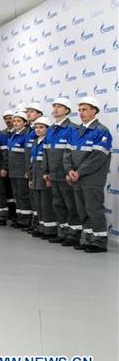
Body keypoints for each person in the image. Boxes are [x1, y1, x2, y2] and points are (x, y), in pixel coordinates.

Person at [64, 97, 112, 253]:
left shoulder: (101, 131)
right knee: (82, 210)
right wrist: (69, 170)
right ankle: (88, 239)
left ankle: (99, 242)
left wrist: (78, 172)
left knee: (93, 209)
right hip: (76, 178)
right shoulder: (75, 131)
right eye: (79, 110)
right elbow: (67, 153)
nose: (81, 112)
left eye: (84, 109)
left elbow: (97, 157)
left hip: (92, 179)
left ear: (94, 111)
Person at [43, 98, 80, 246]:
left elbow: (74, 154)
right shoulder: (50, 129)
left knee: (71, 205)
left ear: (67, 110)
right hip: (53, 174)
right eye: (54, 106)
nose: (56, 109)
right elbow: (45, 152)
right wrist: (46, 171)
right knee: (58, 204)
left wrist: (70, 171)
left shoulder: (73, 128)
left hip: (66, 175)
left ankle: (74, 235)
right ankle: (62, 232)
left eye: (60, 106)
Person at [28, 117, 55, 239]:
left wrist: (48, 176)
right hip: (35, 178)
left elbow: (49, 161)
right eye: (36, 127)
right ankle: (41, 228)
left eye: (41, 127)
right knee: (38, 205)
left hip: (44, 178)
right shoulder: (35, 142)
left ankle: (50, 230)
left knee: (46, 205)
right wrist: (31, 178)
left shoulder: (48, 142)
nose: (38, 130)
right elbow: (32, 162)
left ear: (48, 129)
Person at [6, 112, 32, 228]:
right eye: (14, 121)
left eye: (19, 121)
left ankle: (26, 220)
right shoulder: (13, 134)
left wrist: (28, 170)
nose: (15, 123)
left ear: (25, 123)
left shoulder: (26, 135)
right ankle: (20, 218)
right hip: (13, 171)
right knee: (17, 195)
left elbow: (27, 155)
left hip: (22, 171)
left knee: (23, 195)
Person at [22, 103, 44, 233]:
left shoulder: (43, 128)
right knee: (32, 198)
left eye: (32, 111)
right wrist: (28, 170)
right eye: (27, 111)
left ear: (39, 114)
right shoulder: (29, 130)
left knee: (39, 200)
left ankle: (39, 224)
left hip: (39, 170)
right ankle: (35, 223)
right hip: (31, 168)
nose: (28, 114)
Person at [1, 109, 17, 221]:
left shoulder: (20, 132)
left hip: (16, 167)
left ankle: (17, 213)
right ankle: (10, 213)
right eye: (6, 118)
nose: (8, 120)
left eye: (10, 118)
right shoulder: (2, 134)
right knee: (7, 191)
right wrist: (4, 167)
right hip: (5, 167)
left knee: (17, 192)